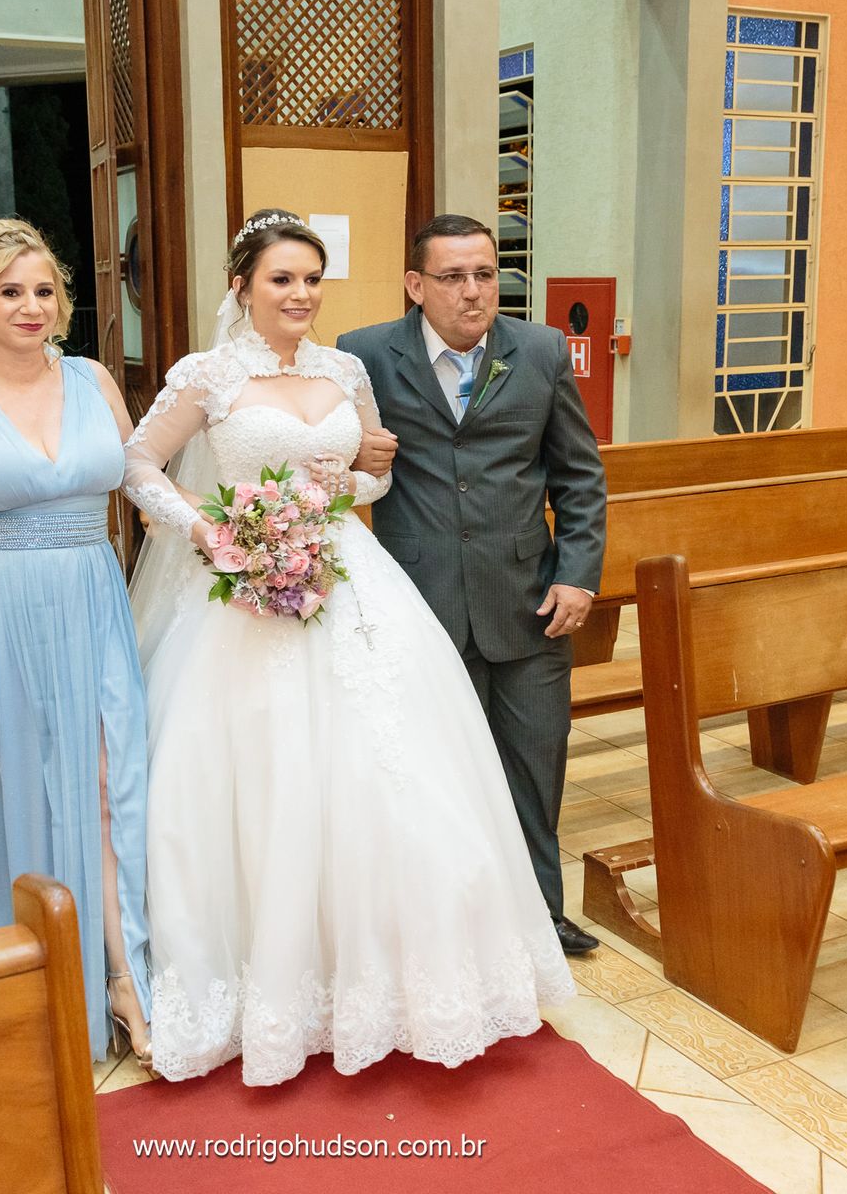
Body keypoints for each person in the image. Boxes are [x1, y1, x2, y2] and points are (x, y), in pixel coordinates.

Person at [123, 209, 573, 1087]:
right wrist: (213, 533)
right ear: (243, 288)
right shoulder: (207, 376)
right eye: (281, 279)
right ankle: (273, 979)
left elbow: (376, 476)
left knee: (387, 771)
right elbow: (138, 462)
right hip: (243, 601)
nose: (300, 295)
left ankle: (392, 979)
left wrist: (348, 479)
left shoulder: (346, 369)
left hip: (346, 577)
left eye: (312, 279)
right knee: (267, 780)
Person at [0, 219, 153, 1067]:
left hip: (91, 601)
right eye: (11, 291)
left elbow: (145, 484)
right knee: (8, 792)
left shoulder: (93, 382)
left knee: (107, 780)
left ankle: (123, 977)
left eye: (44, 291)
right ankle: (20, 979)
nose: (30, 306)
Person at [337, 215, 610, 958]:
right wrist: (354, 452)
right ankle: (447, 926)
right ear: (416, 285)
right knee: (431, 777)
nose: (473, 292)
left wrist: (578, 576)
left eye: (485, 274)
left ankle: (541, 916)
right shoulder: (363, 356)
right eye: (453, 277)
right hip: (417, 606)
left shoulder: (542, 350)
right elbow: (338, 468)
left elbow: (580, 477)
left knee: (532, 765)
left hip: (527, 601)